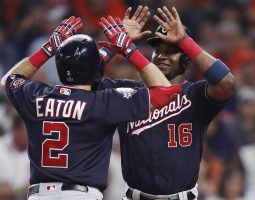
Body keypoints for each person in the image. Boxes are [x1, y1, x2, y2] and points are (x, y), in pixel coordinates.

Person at [0, 15, 181, 200]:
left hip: (40, 195)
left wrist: (48, 48)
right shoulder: (104, 102)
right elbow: (165, 91)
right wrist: (127, 48)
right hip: (81, 195)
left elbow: (9, 80)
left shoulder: (36, 95)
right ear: (97, 69)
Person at [102, 6, 236, 200]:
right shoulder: (129, 92)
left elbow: (227, 83)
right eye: (157, 50)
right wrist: (114, 45)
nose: (162, 55)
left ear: (187, 60)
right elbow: (84, 82)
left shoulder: (196, 95)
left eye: (172, 50)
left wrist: (186, 42)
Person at [0, 115, 29, 200]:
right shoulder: (1, 147)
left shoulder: (37, 150)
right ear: (17, 129)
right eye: (27, 131)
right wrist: (19, 191)